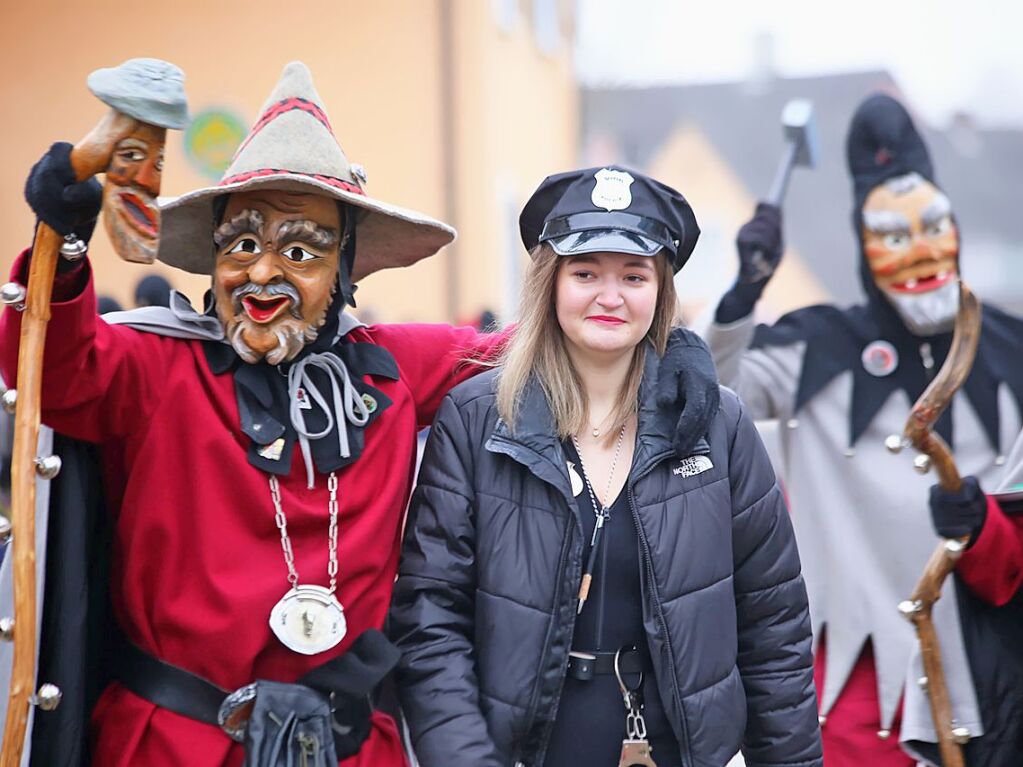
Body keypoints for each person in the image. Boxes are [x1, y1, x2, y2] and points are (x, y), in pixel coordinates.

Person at [0, 64, 706, 767]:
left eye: (300, 249)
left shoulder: (395, 363)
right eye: (241, 244)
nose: (263, 272)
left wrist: (660, 348)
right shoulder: (154, 366)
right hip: (175, 745)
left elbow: (542, 350)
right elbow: (55, 371)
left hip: (344, 747)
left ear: (344, 270)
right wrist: (60, 249)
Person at [390, 166, 824, 767]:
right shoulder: (476, 418)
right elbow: (430, 618)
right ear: (550, 283)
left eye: (634, 274)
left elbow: (774, 629)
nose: (610, 295)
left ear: (661, 290)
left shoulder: (718, 426)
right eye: (586, 272)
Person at [702, 92, 1023, 765]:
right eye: (892, 235)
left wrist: (983, 528)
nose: (916, 253)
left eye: (930, 225)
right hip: (848, 692)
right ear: (862, 242)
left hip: (991, 694)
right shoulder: (814, 347)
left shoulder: (1011, 354)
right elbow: (704, 396)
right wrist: (741, 294)